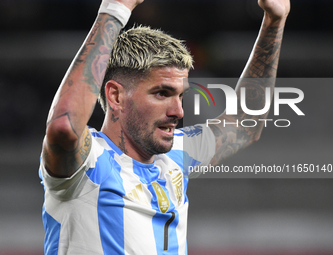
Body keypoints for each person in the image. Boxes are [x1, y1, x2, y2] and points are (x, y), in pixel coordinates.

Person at [39, 0, 290, 254]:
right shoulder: (87, 164)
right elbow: (64, 126)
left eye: (180, 96)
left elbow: (246, 124)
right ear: (115, 96)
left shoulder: (176, 154)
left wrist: (274, 20)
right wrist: (115, 10)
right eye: (162, 93)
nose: (178, 112)